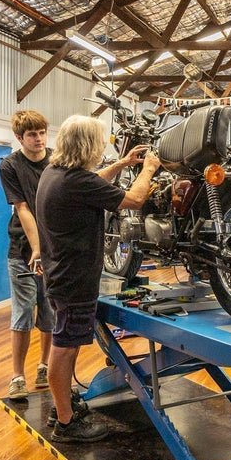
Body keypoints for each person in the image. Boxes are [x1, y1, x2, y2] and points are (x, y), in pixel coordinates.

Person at [35, 115, 158, 442]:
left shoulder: (55, 173)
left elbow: (95, 183)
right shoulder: (77, 181)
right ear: (87, 146)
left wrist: (121, 164)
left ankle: (62, 406)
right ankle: (65, 423)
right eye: (100, 142)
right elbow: (135, 200)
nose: (102, 147)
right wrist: (148, 170)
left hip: (62, 275)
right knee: (64, 349)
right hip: (74, 281)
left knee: (68, 344)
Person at [0, 109, 54, 400]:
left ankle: (44, 366)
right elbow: (22, 208)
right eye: (32, 134)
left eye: (42, 132)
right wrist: (36, 249)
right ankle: (17, 376)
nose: (39, 139)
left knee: (49, 311)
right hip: (22, 250)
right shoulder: (10, 166)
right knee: (23, 312)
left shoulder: (56, 160)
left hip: (54, 250)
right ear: (19, 137)